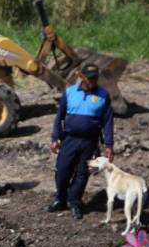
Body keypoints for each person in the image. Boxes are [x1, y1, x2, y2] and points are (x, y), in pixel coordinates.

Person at [49, 62, 114, 220]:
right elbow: (60, 117)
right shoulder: (70, 92)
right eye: (90, 78)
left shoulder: (103, 95)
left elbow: (107, 121)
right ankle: (61, 199)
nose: (93, 81)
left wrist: (109, 145)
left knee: (82, 174)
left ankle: (75, 201)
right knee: (62, 171)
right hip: (70, 140)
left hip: (89, 142)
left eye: (95, 78)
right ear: (81, 76)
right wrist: (55, 137)